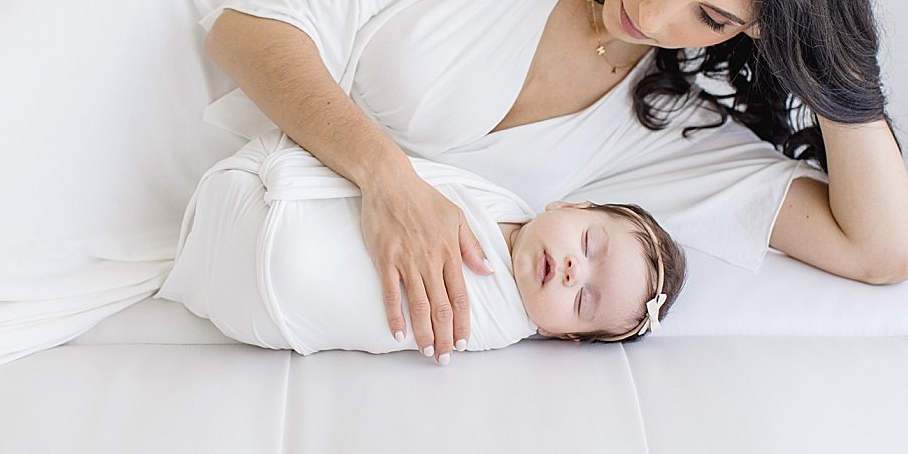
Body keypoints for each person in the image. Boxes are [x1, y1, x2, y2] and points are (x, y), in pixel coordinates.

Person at [201, 0, 908, 366]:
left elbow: (882, 252)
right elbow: (248, 30)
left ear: (754, 30)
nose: (656, 14)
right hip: (178, 116)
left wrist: (836, 58)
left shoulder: (665, 127)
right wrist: (388, 179)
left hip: (244, 253)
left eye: (713, 16)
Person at [157, 131, 687, 360]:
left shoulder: (494, 321)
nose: (575, 270)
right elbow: (411, 179)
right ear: (571, 206)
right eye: (591, 245)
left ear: (559, 335)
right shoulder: (505, 202)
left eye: (583, 301)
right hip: (259, 199)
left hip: (261, 295)